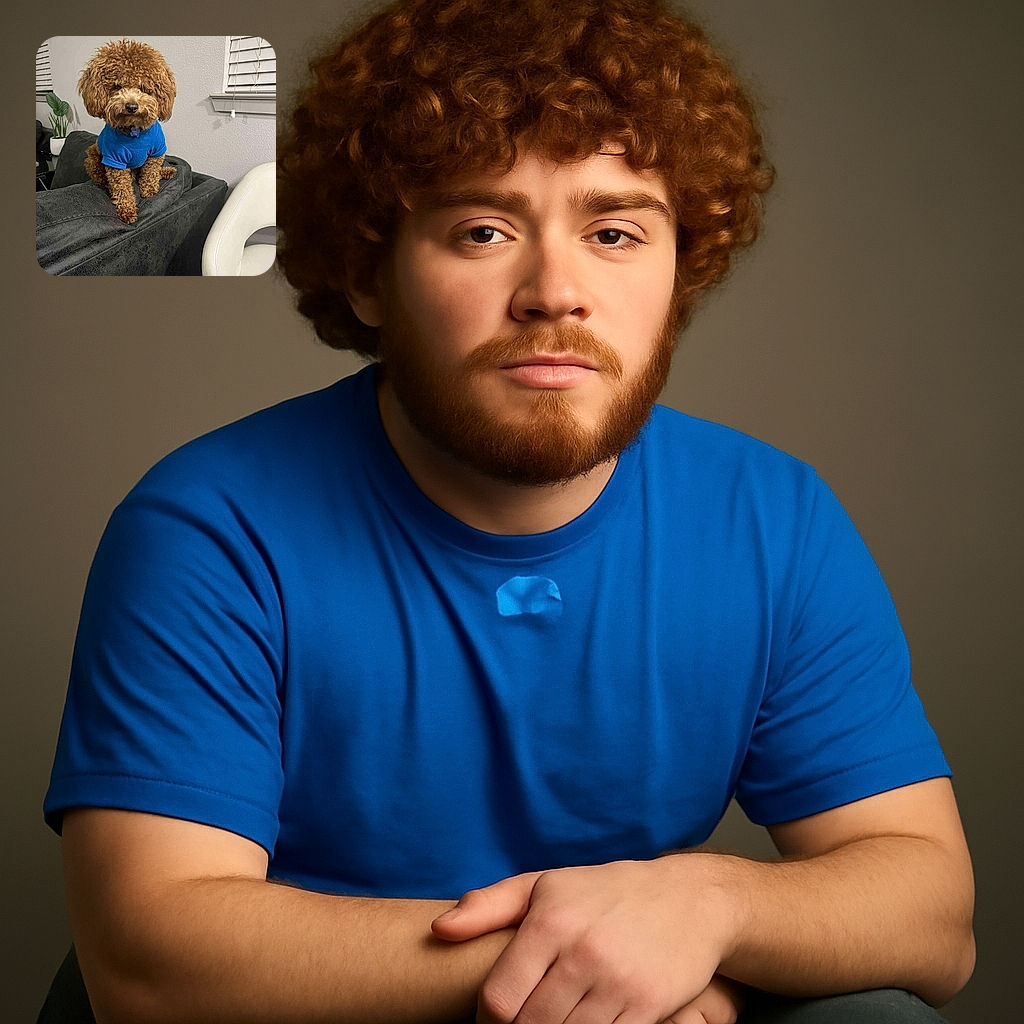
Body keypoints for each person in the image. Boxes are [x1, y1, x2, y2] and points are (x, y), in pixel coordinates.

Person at [42, 1, 975, 1022]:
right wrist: (601, 963)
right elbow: (146, 960)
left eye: (613, 230)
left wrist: (707, 903)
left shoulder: (772, 518)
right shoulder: (210, 526)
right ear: (368, 274)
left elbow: (931, 917)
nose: (554, 292)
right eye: (482, 230)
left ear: (681, 269)